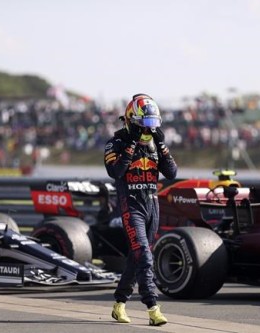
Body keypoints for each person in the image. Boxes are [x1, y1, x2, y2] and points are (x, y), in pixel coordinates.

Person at [104, 93, 177, 326]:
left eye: (153, 125)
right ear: (131, 120)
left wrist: (162, 144)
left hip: (152, 206)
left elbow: (172, 173)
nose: (148, 130)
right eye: (144, 125)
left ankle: (119, 305)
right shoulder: (115, 142)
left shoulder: (155, 143)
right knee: (145, 257)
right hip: (130, 206)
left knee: (136, 260)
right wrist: (132, 143)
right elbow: (115, 172)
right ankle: (153, 309)